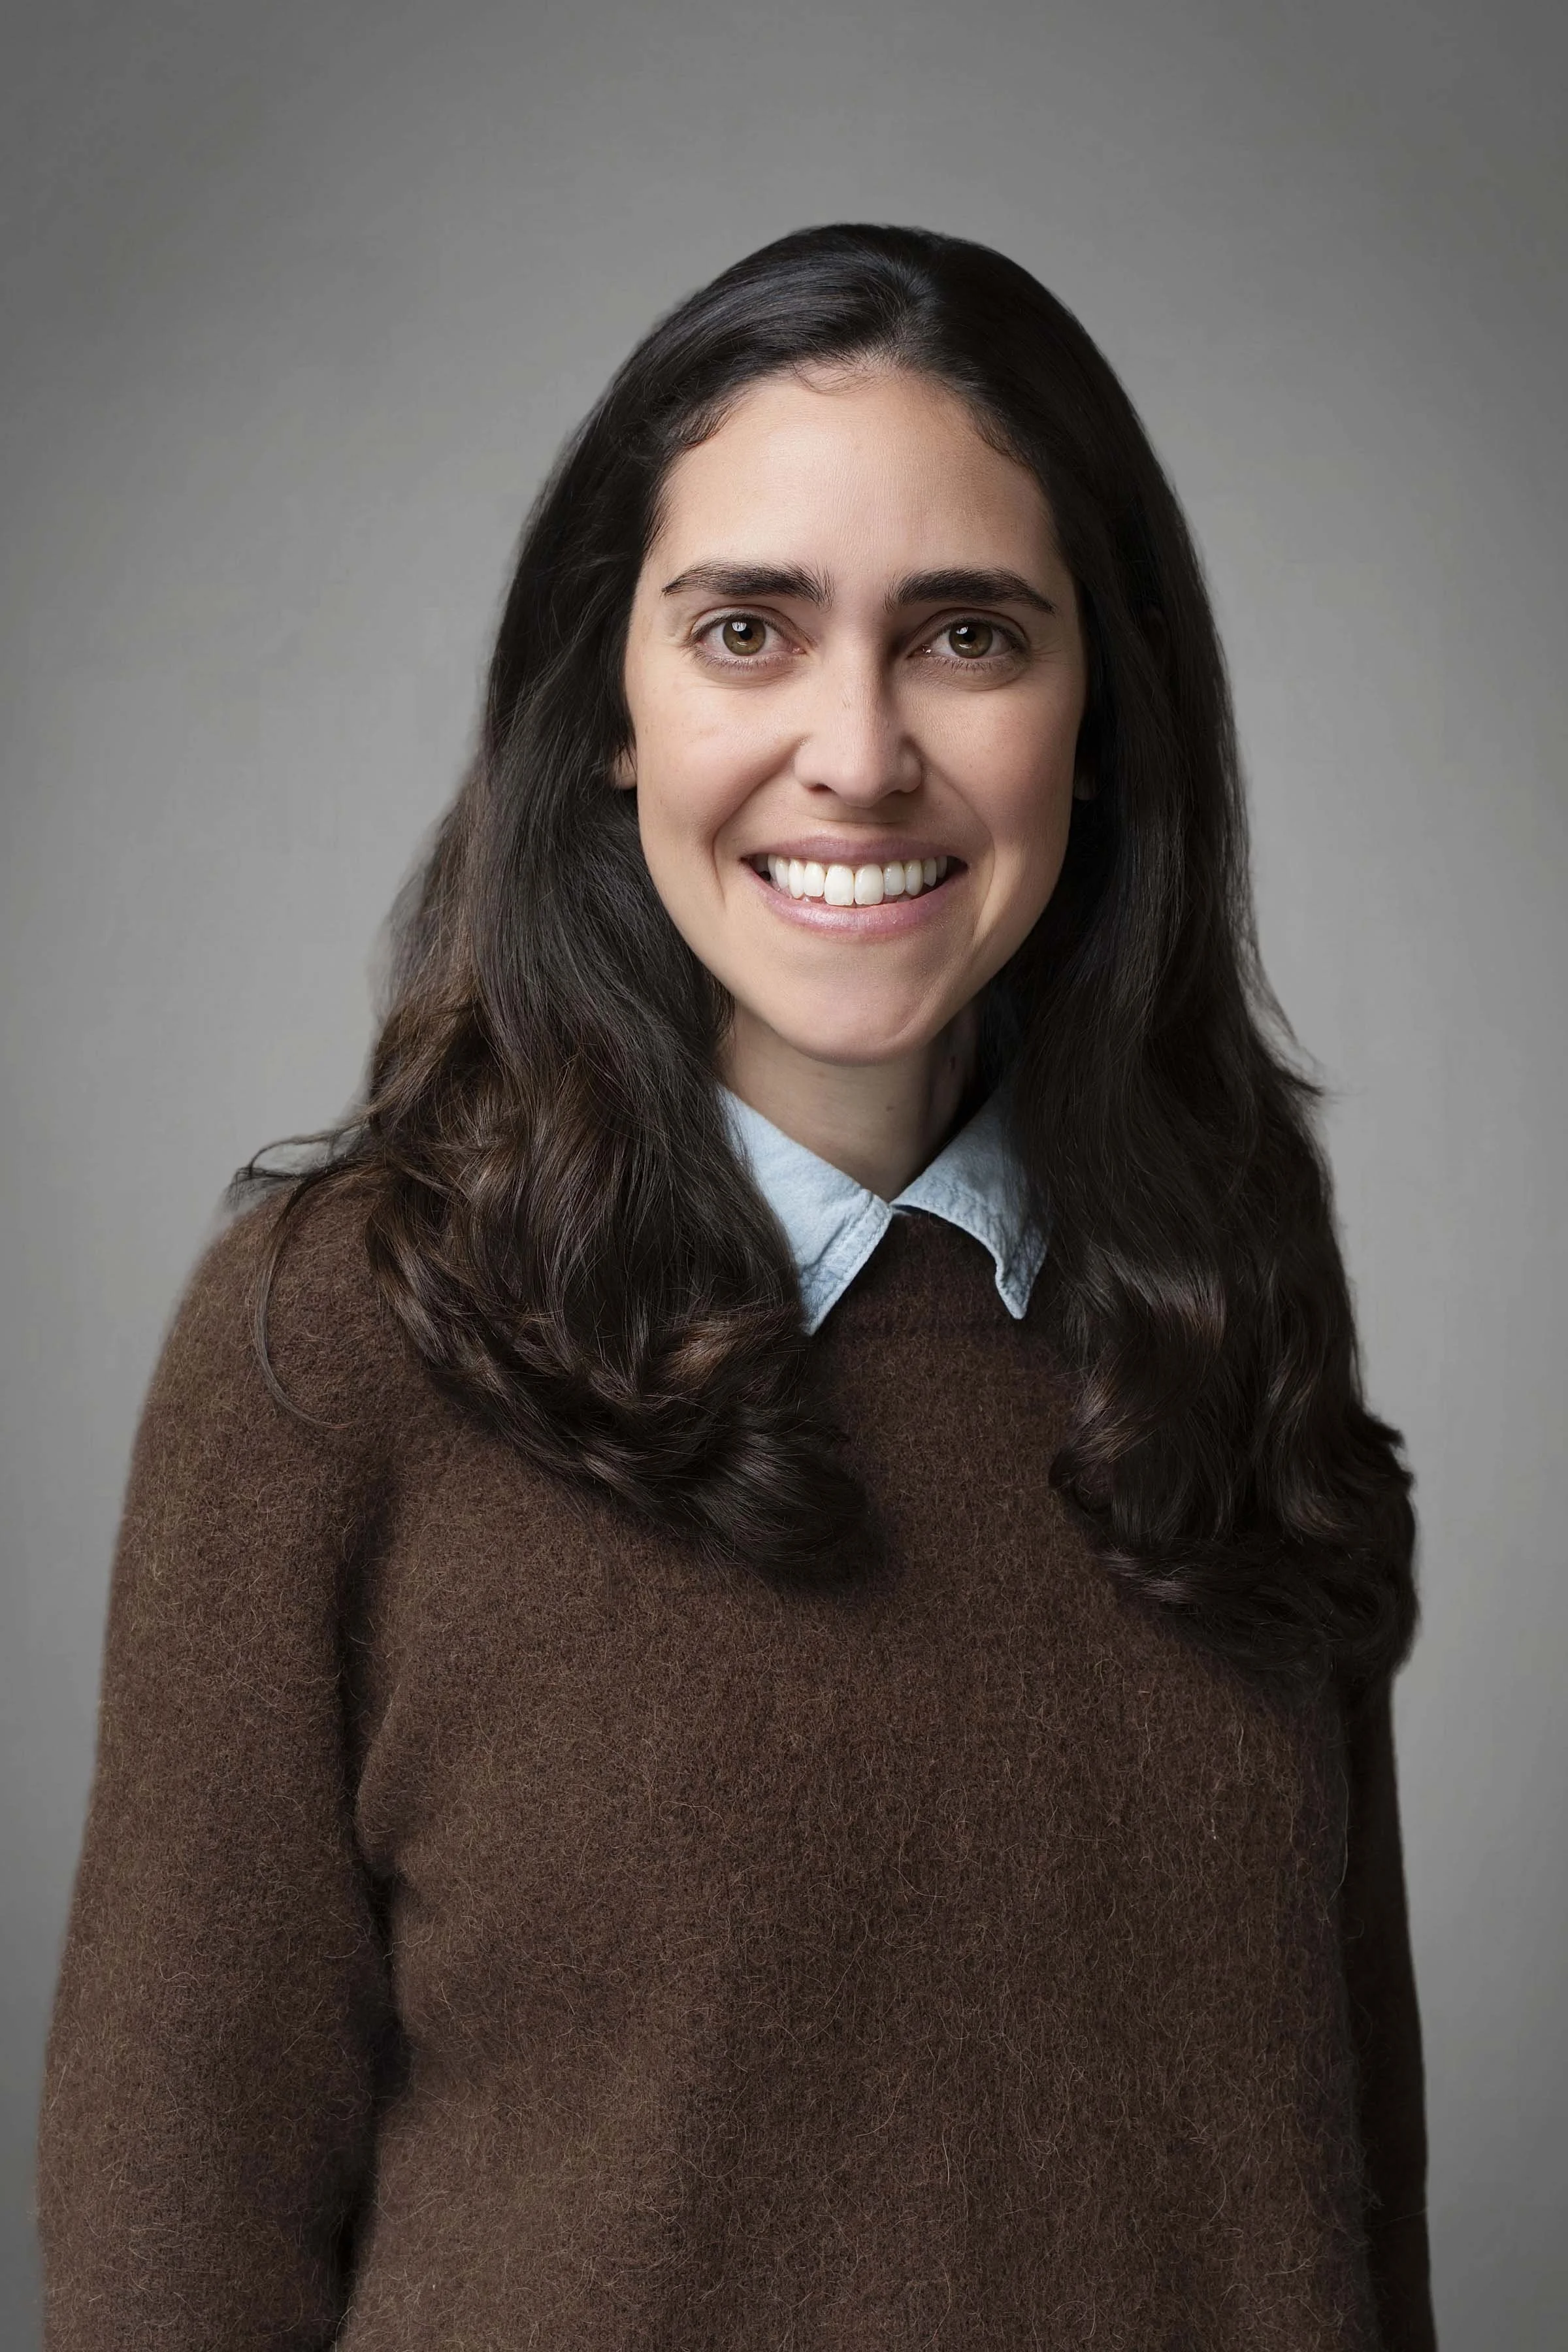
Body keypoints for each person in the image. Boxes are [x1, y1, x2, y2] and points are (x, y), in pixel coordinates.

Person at [35, 223, 1435, 2349]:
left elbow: (1351, 2194)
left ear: (1104, 719)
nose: (858, 754)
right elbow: (172, 2257)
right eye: (747, 632)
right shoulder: (336, 1343)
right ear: (609, 707)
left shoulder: (1220, 1295)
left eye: (967, 634)